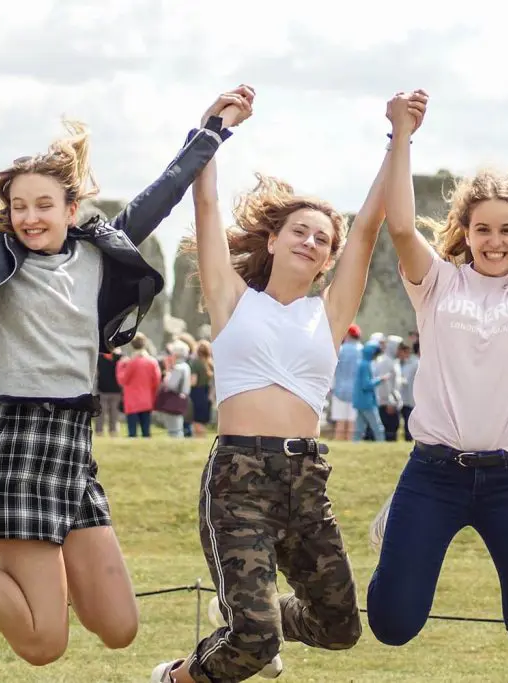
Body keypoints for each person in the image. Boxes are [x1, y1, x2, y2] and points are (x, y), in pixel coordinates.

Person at [0, 0, 250, 665]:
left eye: (44, 204)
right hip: (18, 438)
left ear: (73, 207)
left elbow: (164, 188)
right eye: (18, 206)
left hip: (74, 444)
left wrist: (212, 130)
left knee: (119, 626)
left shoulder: (101, 251)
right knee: (43, 641)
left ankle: (37, 583)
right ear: (4, 213)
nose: (30, 216)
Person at [150, 91, 429, 683]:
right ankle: (177, 676)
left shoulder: (327, 315)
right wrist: (215, 127)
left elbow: (371, 225)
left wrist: (399, 136)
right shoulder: (231, 300)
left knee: (340, 628)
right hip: (238, 478)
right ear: (273, 240)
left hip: (304, 478)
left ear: (329, 259)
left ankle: (260, 616)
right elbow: (205, 203)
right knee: (252, 644)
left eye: (323, 239)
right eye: (300, 231)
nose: (311, 241)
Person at [365, 43, 508, 657]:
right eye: (482, 229)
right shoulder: (437, 282)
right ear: (466, 233)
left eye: (507, 229)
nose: (494, 241)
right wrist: (401, 134)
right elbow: (404, 227)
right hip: (433, 471)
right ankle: (400, 516)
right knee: (391, 624)